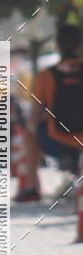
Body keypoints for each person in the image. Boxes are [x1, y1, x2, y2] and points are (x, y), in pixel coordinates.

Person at [15, 23, 83, 203]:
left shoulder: (47, 75)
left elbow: (33, 118)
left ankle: (32, 188)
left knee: (29, 134)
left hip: (59, 140)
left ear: (57, 47)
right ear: (80, 46)